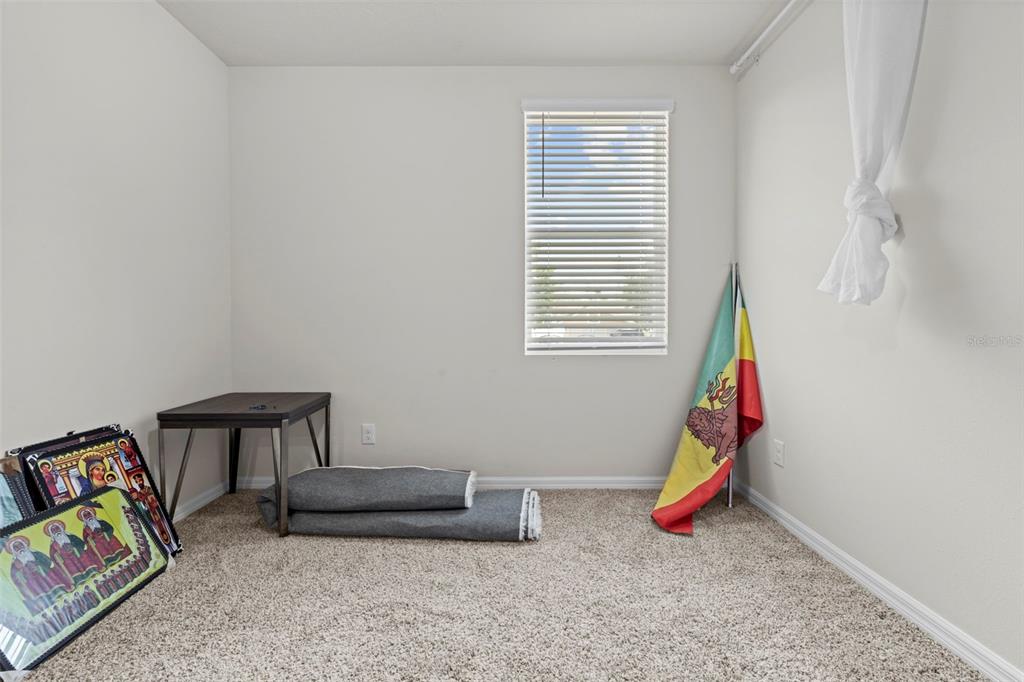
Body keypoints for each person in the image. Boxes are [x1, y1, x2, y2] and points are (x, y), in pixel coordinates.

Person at [6, 535, 72, 614]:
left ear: (24, 545)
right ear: (13, 550)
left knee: (51, 578)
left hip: (44, 572)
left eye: (20, 545)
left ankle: (60, 594)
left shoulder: (35, 553)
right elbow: (15, 575)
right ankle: (48, 603)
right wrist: (24, 571)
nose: (19, 548)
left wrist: (40, 565)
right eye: (16, 547)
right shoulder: (15, 563)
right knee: (35, 586)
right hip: (32, 580)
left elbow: (45, 559)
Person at [45, 519, 104, 586]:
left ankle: (92, 572)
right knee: (71, 566)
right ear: (51, 533)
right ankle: (79, 580)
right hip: (66, 558)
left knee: (84, 557)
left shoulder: (70, 536)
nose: (56, 531)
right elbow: (52, 554)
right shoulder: (53, 544)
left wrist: (78, 546)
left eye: (57, 528)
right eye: (53, 530)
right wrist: (57, 554)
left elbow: (79, 542)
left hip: (77, 552)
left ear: (61, 528)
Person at [130, 473, 171, 546]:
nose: (139, 483)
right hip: (150, 515)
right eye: (137, 482)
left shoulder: (149, 489)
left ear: (143, 480)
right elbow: (140, 504)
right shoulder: (139, 494)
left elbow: (157, 498)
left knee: (165, 525)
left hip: (158, 511)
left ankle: (171, 541)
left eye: (140, 481)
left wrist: (155, 502)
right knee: (156, 530)